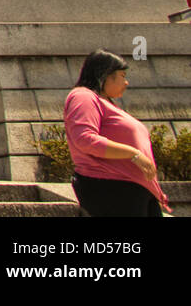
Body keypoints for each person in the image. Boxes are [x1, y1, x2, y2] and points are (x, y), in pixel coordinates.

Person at [64, 49, 171, 216]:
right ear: (105, 75)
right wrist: (133, 154)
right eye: (122, 76)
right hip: (112, 187)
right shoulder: (83, 96)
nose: (126, 82)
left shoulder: (106, 103)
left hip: (133, 189)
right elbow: (85, 139)